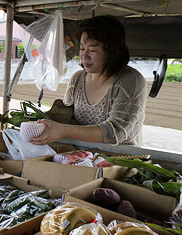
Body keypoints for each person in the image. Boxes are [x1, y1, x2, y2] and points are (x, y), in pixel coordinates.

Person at [31, 15, 146, 146]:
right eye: (81, 48)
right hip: (83, 153)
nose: (84, 56)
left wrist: (62, 130)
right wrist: (41, 122)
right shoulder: (77, 79)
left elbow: (116, 132)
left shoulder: (129, 81)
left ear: (113, 52)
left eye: (92, 50)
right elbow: (68, 117)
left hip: (119, 159)